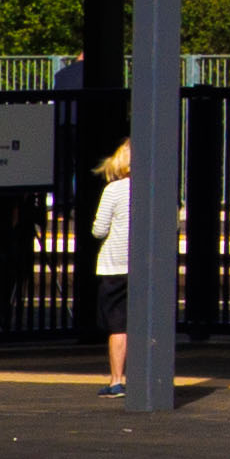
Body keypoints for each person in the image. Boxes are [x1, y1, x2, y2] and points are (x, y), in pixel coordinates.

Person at [88, 141, 136, 392]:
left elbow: (99, 230)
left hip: (115, 265)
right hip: (144, 267)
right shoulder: (158, 190)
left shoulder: (114, 190)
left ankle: (117, 380)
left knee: (118, 325)